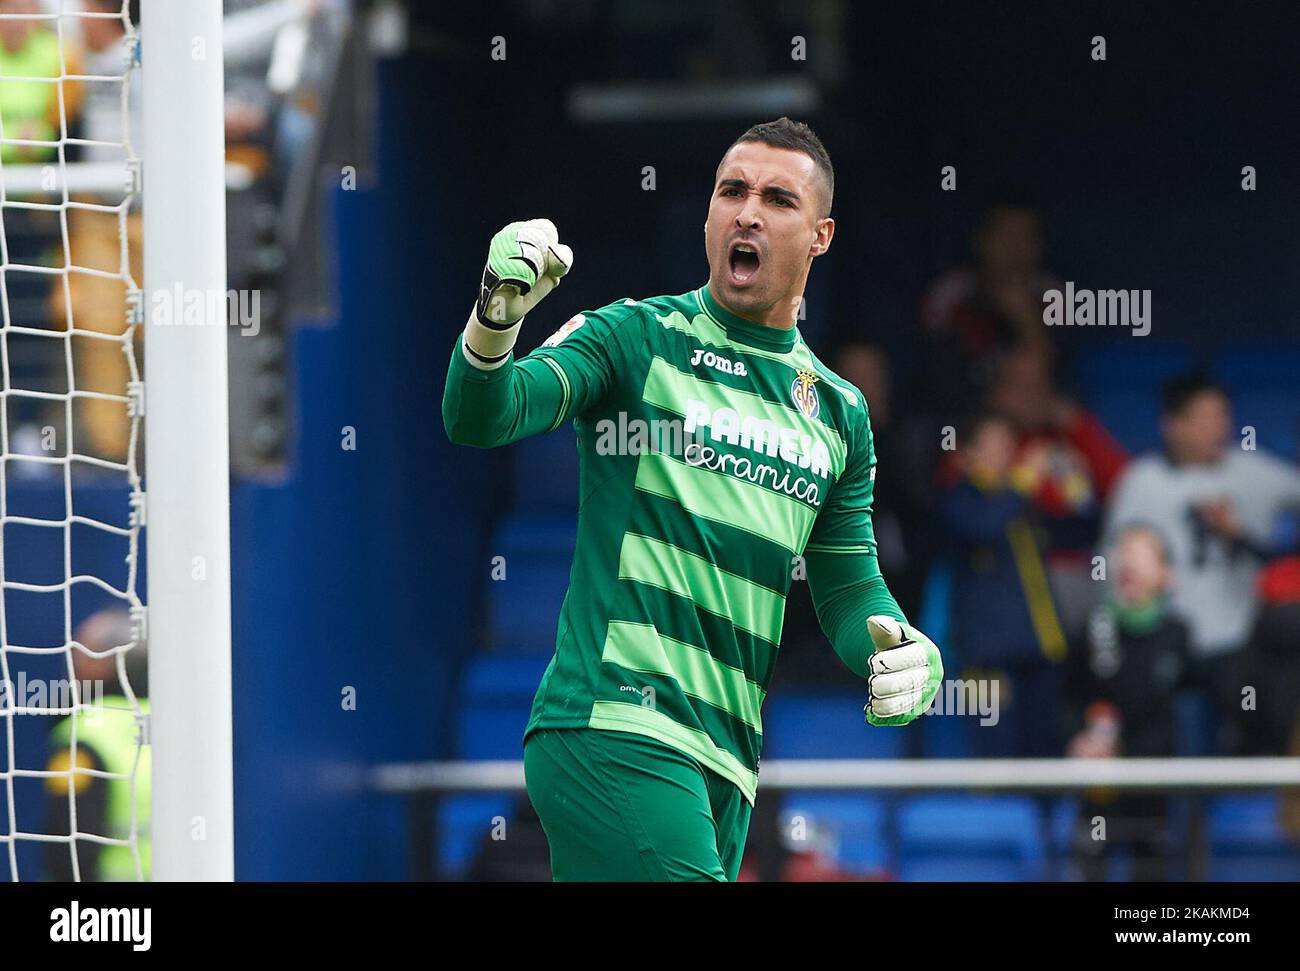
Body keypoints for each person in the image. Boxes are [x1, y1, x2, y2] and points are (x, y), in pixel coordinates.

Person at [442, 118, 944, 881]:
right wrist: (495, 318)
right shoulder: (633, 337)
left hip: (728, 767)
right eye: (731, 190)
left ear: (820, 236)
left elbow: (848, 589)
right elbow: (482, 414)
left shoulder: (839, 413)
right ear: (708, 214)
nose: (747, 211)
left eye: (777, 198)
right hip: (617, 724)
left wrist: (899, 646)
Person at [1104, 371, 1300, 751]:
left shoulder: (1252, 471)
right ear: (1173, 425)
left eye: (1223, 417)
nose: (1219, 428)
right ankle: (1160, 803)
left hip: (1239, 637)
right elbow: (1111, 564)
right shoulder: (1141, 482)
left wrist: (1243, 536)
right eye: (1205, 418)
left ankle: (1269, 784)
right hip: (1162, 632)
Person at [1064, 525, 1190, 881]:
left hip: (1153, 787)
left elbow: (1177, 712)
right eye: (1123, 553)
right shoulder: (1093, 627)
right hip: (1098, 787)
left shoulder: (1177, 633)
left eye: (1141, 554)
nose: (1128, 562)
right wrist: (1078, 740)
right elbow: (1066, 700)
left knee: (1151, 869)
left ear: (1166, 574)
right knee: (1091, 862)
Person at [940, 411, 1066, 757]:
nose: (1004, 452)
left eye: (1007, 444)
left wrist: (1072, 485)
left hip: (1041, 651)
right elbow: (984, 527)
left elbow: (1080, 528)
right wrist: (1023, 482)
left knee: (1044, 753)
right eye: (992, 444)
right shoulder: (959, 499)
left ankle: (1048, 813)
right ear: (965, 453)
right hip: (986, 657)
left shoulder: (1021, 499)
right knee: (994, 757)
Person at [43, 608, 150, 881]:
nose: (73, 662)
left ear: (105, 661)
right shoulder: (175, 721)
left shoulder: (88, 731)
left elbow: (70, 839)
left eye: (80, 651)